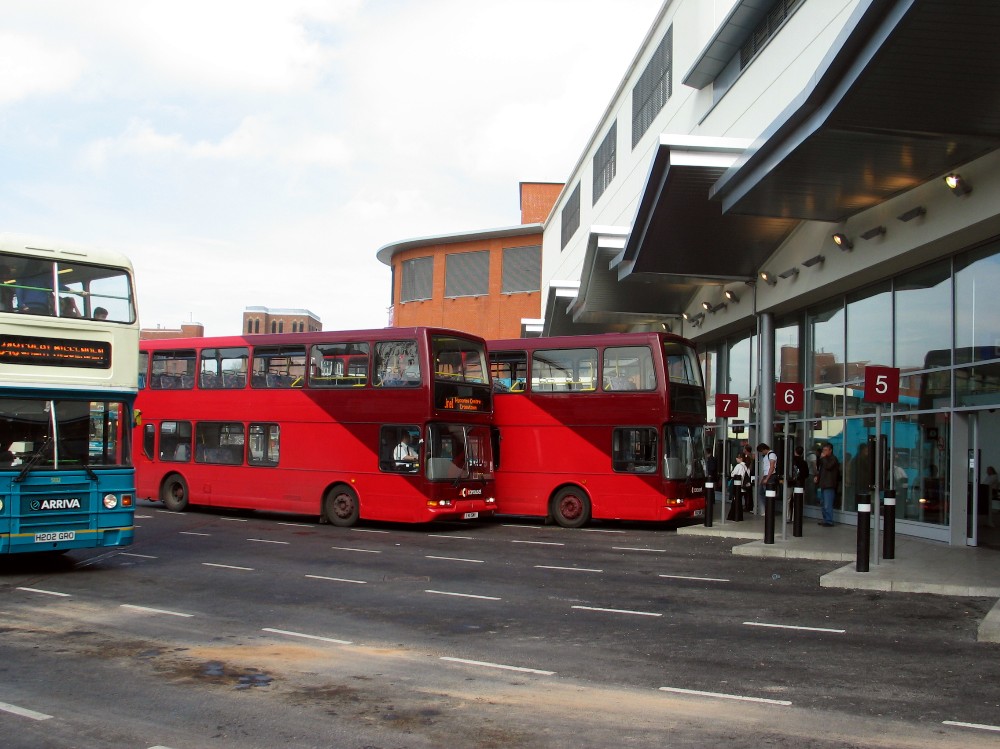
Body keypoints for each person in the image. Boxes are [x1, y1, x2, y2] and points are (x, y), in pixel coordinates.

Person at [814, 442, 840, 527]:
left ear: (830, 450)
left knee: (827, 504)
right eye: (823, 450)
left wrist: (823, 458)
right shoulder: (823, 459)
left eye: (826, 450)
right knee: (822, 503)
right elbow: (820, 469)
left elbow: (828, 466)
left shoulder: (833, 459)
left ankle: (829, 520)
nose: (824, 452)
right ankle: (825, 519)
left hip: (829, 484)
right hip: (823, 483)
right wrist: (817, 477)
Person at [788, 445, 809, 524]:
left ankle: (787, 517)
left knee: (788, 500)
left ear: (795, 452)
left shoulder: (790, 461)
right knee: (797, 501)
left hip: (790, 482)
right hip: (800, 483)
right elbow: (806, 474)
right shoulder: (804, 462)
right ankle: (795, 517)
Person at [756, 442, 777, 515]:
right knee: (762, 492)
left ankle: (769, 510)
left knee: (768, 493)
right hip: (766, 475)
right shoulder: (766, 456)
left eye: (762, 451)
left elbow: (772, 467)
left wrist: (767, 478)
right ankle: (767, 509)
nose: (762, 453)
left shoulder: (771, 455)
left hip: (770, 476)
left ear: (764, 449)